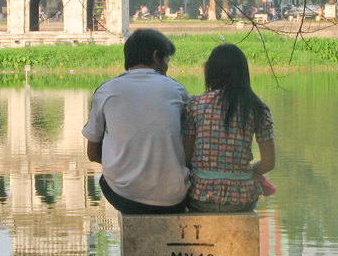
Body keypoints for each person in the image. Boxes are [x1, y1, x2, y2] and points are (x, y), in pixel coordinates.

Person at [82, 29, 190, 214]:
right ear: (157, 56)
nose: (167, 68)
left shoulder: (106, 91)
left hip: (124, 197)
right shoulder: (177, 90)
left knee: (104, 178)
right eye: (167, 61)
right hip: (174, 198)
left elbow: (92, 154)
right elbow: (188, 147)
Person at [183, 44, 275, 212]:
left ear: (211, 73)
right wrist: (243, 170)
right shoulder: (257, 108)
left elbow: (187, 159)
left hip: (199, 198)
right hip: (241, 200)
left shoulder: (195, 104)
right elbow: (268, 163)